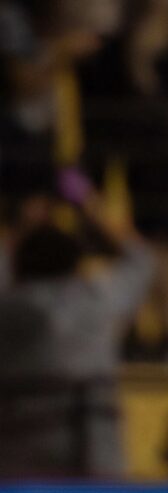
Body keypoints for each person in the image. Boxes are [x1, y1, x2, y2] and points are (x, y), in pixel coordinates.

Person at [0, 176, 156, 476]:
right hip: (93, 466)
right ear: (75, 266)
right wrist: (91, 205)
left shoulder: (8, 310)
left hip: (16, 470)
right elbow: (142, 261)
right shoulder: (96, 300)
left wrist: (23, 226)